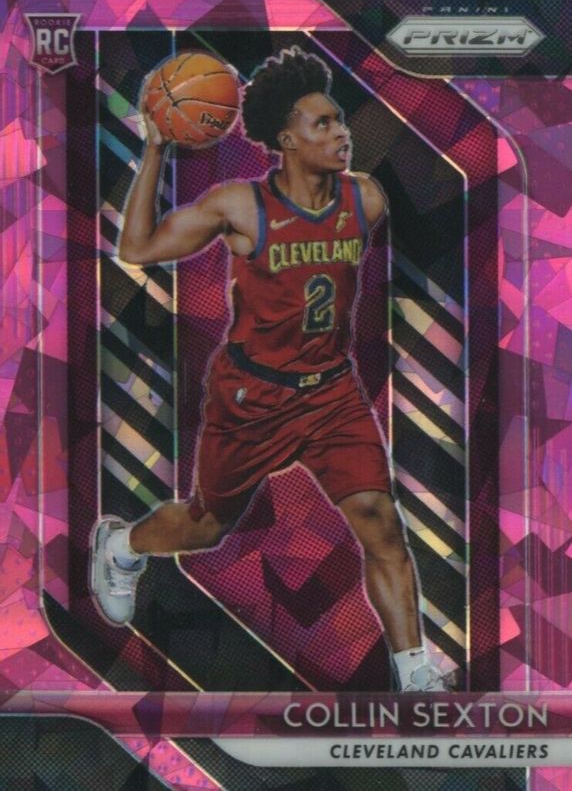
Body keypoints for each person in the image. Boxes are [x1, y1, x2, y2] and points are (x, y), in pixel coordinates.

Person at [90, 47, 449, 693]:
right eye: (323, 124)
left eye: (340, 120)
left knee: (379, 518)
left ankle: (416, 676)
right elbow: (137, 247)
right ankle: (121, 546)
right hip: (252, 395)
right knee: (205, 527)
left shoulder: (366, 198)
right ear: (286, 141)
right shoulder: (240, 206)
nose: (341, 133)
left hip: (333, 393)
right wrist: (155, 146)